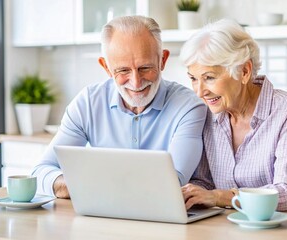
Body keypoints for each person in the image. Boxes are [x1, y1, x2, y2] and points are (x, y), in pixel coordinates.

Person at [32, 16, 207, 198]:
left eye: (145, 68)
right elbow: (41, 172)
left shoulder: (189, 107)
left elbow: (172, 183)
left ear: (162, 60)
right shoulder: (88, 103)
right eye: (123, 70)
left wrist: (90, 184)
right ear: (106, 67)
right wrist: (73, 184)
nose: (136, 82)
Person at [179, 19, 287, 213]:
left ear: (244, 71)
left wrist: (219, 197)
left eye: (209, 77)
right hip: (239, 227)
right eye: (193, 78)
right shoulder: (208, 114)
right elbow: (204, 182)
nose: (200, 92)